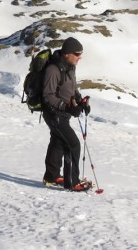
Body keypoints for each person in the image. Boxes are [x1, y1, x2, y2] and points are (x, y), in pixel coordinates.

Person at [41, 36, 92, 192]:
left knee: (58, 142)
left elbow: (71, 88)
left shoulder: (70, 67)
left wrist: (80, 101)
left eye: (80, 54)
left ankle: (52, 176)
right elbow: (48, 96)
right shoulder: (53, 70)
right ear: (66, 54)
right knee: (73, 144)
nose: (79, 57)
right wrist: (67, 107)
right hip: (54, 113)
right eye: (77, 54)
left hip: (63, 114)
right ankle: (72, 182)